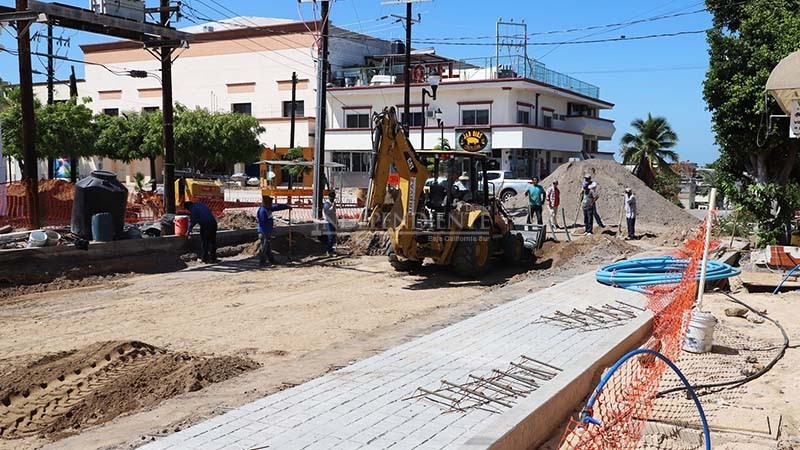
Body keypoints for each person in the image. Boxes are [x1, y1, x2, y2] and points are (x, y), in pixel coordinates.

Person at [257, 195, 292, 266]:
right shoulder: (262, 211)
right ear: (266, 202)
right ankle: (262, 262)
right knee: (263, 248)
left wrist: (286, 206)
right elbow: (263, 223)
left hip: (267, 232)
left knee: (267, 248)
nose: (271, 203)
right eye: (270, 202)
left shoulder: (268, 209)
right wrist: (267, 231)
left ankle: (272, 260)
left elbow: (277, 207)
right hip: (264, 232)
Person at [323, 191, 338, 256]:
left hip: (333, 222)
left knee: (333, 237)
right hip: (329, 222)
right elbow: (327, 212)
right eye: (332, 197)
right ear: (329, 197)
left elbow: (333, 213)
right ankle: (328, 251)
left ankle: (331, 250)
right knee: (330, 237)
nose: (333, 199)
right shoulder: (327, 204)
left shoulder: (331, 203)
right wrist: (333, 207)